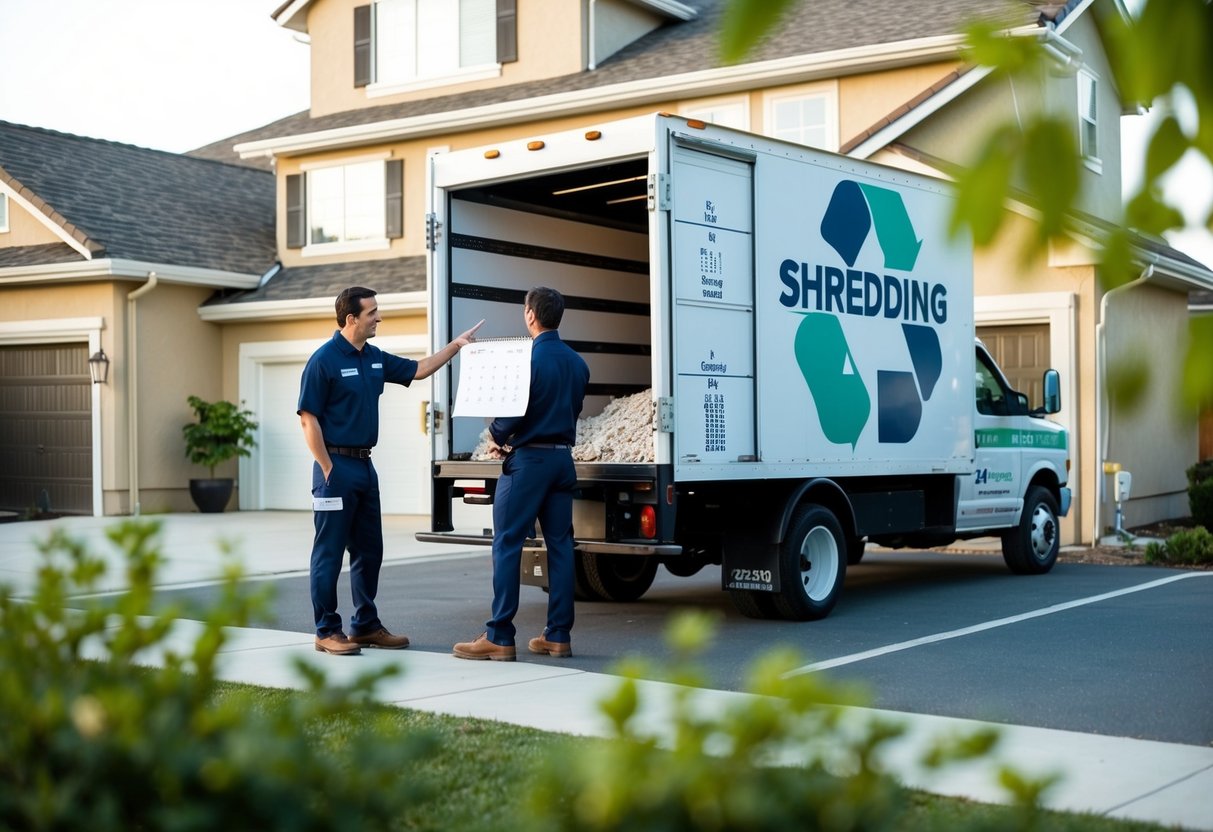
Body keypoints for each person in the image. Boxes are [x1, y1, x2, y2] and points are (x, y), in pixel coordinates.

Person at [300, 286, 482, 656]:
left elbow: (418, 370)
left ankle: (365, 625)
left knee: (370, 550)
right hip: (335, 468)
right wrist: (328, 467)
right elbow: (308, 419)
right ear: (352, 319)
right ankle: (326, 630)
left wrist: (455, 346)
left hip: (366, 467)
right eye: (372, 313)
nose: (378, 317)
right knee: (329, 553)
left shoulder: (375, 358)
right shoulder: (324, 361)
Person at [454, 287, 589, 662]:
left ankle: (499, 636)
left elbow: (515, 411)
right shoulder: (579, 364)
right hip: (563, 461)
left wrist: (497, 436)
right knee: (560, 546)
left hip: (528, 464)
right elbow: (568, 409)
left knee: (508, 543)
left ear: (530, 315)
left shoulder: (526, 360)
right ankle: (558, 636)